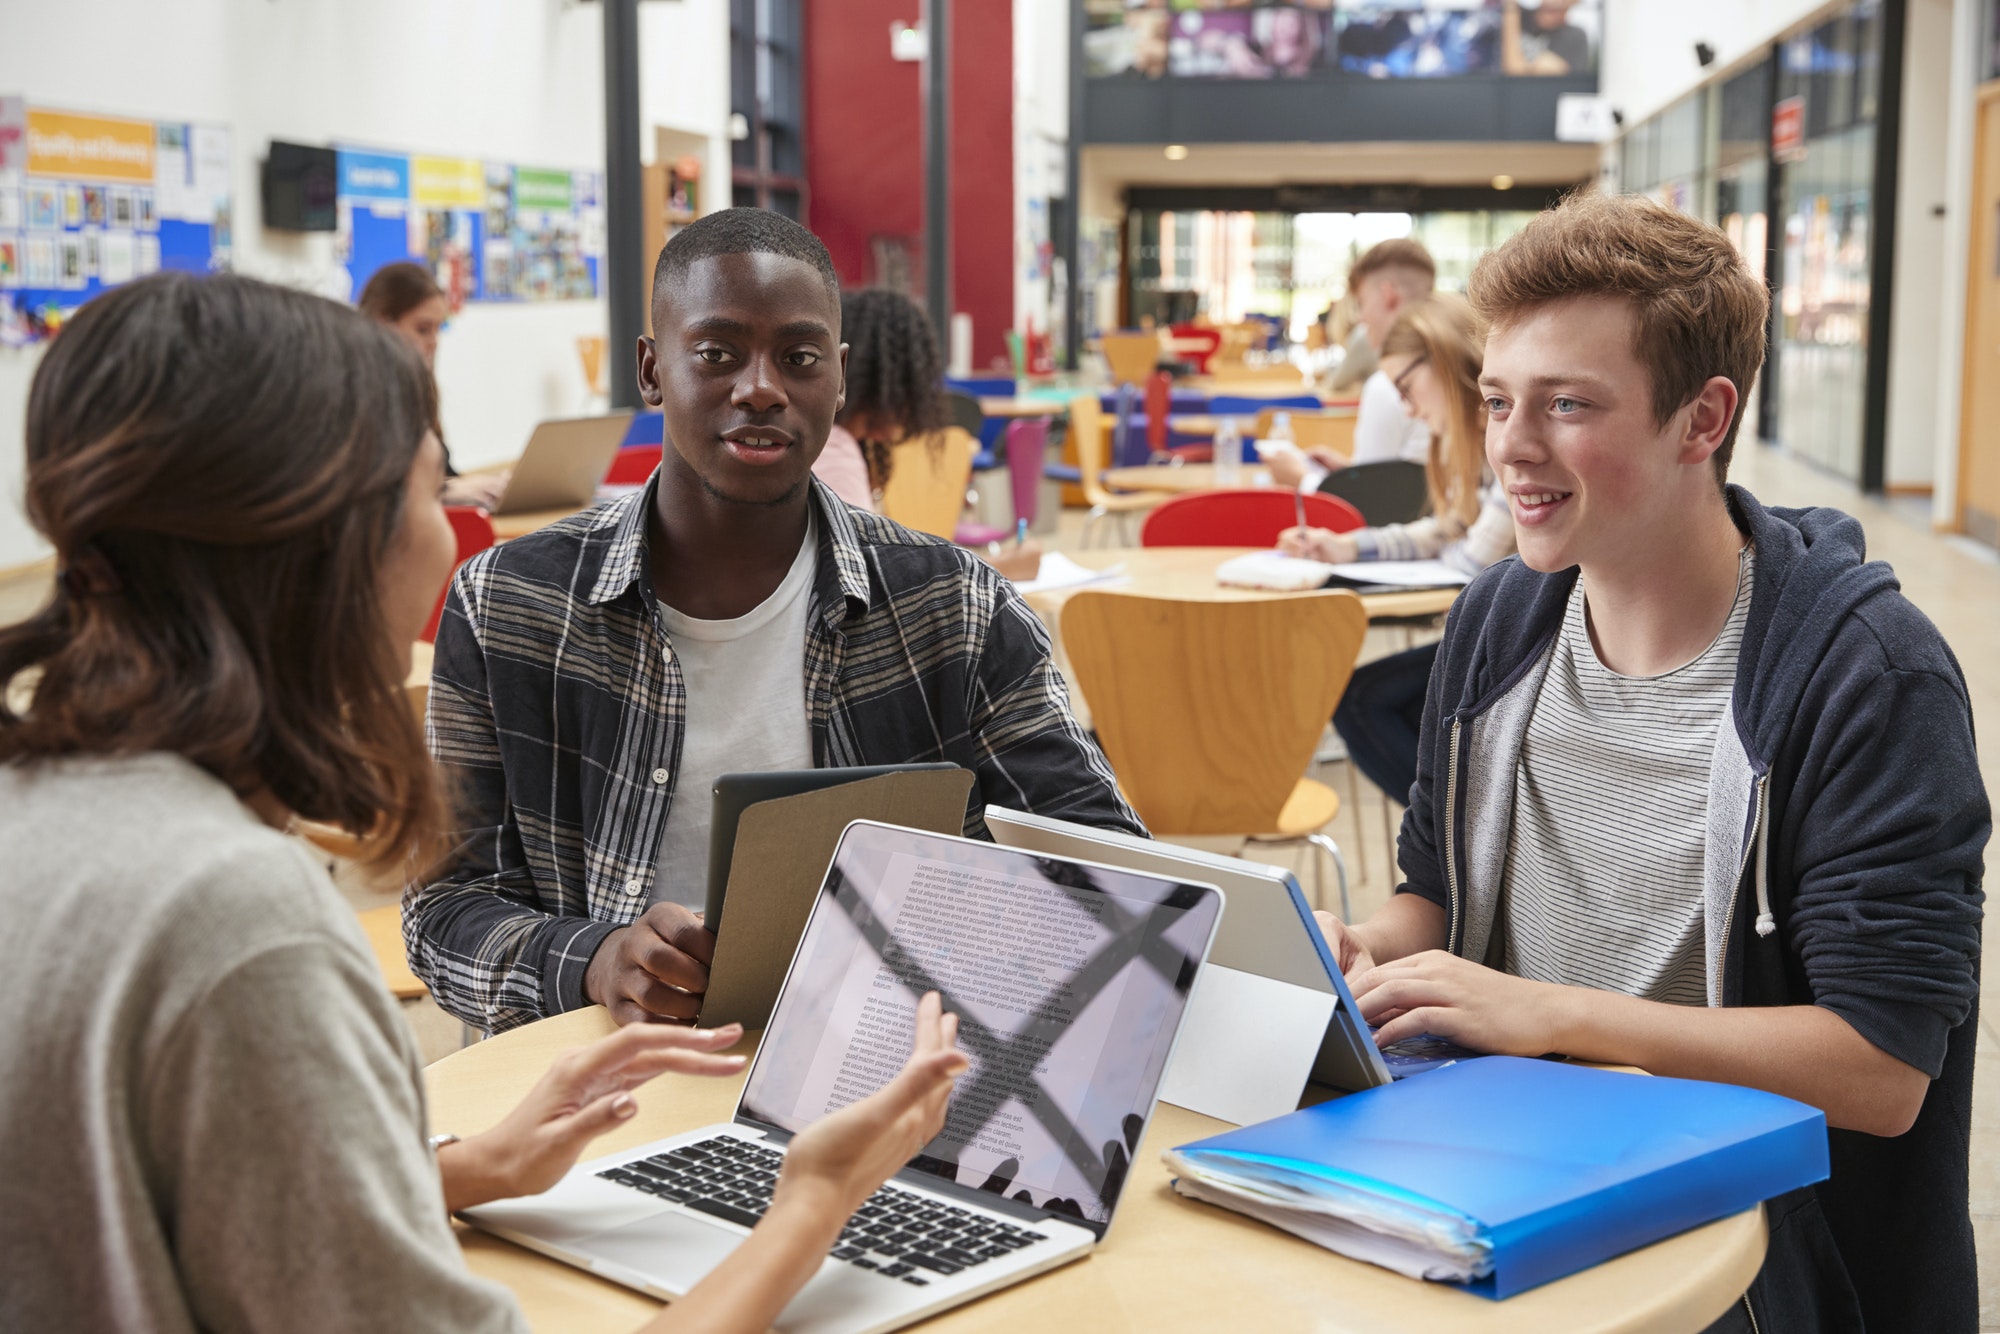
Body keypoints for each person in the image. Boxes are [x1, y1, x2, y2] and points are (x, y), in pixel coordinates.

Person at [0, 270, 971, 1333]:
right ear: (328, 541)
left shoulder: (44, 811)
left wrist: (461, 1166)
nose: (447, 535)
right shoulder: (233, 916)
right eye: (428, 495)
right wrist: (813, 1206)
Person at [1316, 194, 1986, 1333]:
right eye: (1495, 401)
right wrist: (1360, 951)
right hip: (1493, 1170)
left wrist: (1551, 1014)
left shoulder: (1864, 675)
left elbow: (1879, 1070)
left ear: (1701, 417)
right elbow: (1427, 894)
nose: (1511, 448)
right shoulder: (1496, 622)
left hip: (1753, 1245)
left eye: (1566, 404)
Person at [409, 208, 1142, 1035]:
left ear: (837, 377)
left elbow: (1099, 856)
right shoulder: (507, 604)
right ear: (652, 371)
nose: (761, 387)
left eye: (798, 358)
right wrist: (596, 960)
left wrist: (1255, 937)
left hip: (881, 1071)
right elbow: (444, 908)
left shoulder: (955, 606)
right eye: (717, 354)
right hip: (599, 1081)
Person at [1278, 294, 1515, 803]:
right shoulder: (1469, 440)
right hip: (1500, 629)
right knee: (1385, 704)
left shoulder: (1507, 433)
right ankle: (1456, 839)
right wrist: (1345, 548)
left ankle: (1452, 845)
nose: (1408, 408)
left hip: (1523, 638)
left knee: (1364, 701)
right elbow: (1448, 528)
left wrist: (1427, 552)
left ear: (1445, 358)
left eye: (1408, 388)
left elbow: (1474, 559)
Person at [1267, 237, 1433, 489]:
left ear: (1388, 296)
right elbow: (1402, 484)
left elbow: (1370, 503)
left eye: (1361, 303)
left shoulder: (1389, 385)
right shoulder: (1450, 373)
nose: (1360, 317)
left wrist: (1303, 480)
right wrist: (1349, 472)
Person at [357, 260, 510, 511]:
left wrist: (475, 486)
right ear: (383, 324)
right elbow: (372, 488)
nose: (434, 342)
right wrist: (445, 490)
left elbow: (442, 469)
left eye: (438, 329)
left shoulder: (419, 388)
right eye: (423, 329)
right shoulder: (355, 395)